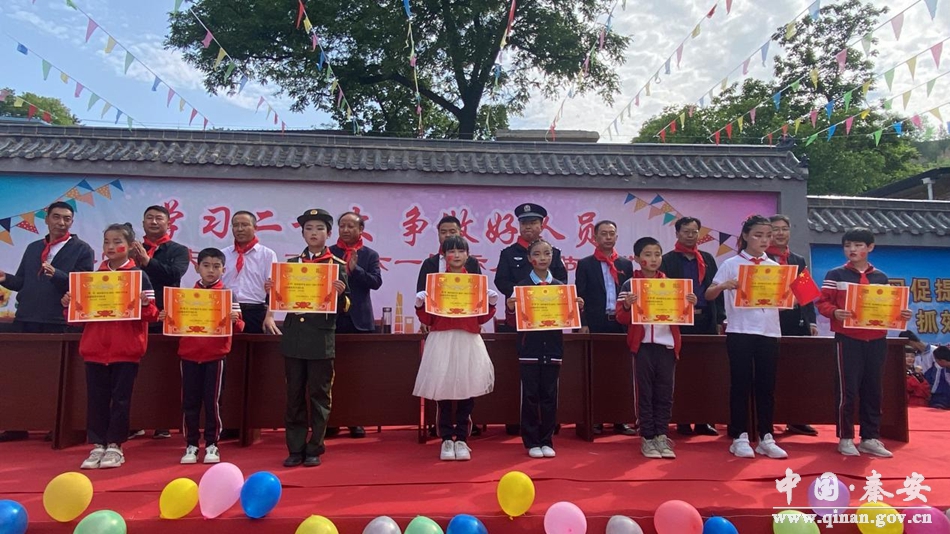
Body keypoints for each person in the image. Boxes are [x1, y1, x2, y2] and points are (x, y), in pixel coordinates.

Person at [63, 223, 158, 469]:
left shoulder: (139, 276)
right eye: (107, 242)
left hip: (126, 351)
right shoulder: (92, 279)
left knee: (121, 400)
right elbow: (76, 319)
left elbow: (153, 315)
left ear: (130, 246)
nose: (111, 247)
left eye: (117, 242)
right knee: (96, 399)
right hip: (94, 349)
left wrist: (144, 304)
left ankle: (115, 445)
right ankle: (98, 445)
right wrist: (69, 305)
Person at [0, 201, 94, 443]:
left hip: (58, 321)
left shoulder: (82, 249)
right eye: (56, 217)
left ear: (72, 222)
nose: (61, 222)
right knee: (23, 375)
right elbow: (22, 282)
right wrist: (4, 278)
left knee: (55, 379)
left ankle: (56, 425)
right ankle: (18, 425)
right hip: (26, 318)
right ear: (47, 218)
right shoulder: (33, 247)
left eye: (66, 218)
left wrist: (58, 275)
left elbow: (84, 286)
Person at [816, 227, 913, 457]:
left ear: (870, 247)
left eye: (858, 245)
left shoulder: (880, 277)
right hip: (848, 339)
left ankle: (870, 437)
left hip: (877, 339)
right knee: (847, 389)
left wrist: (901, 313)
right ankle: (846, 437)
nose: (852, 249)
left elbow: (886, 307)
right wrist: (834, 312)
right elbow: (822, 302)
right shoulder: (836, 274)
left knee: (873, 389)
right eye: (847, 245)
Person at [265, 209, 348, 468]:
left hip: (321, 339)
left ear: (328, 234)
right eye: (309, 228)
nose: (314, 233)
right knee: (294, 395)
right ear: (302, 233)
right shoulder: (290, 265)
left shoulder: (336, 265)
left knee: (319, 396)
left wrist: (340, 294)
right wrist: (271, 291)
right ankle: (295, 448)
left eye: (319, 228)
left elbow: (347, 305)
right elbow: (280, 300)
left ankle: (315, 448)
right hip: (294, 338)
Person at [706, 215, 787, 459]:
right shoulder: (732, 264)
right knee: (740, 383)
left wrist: (785, 298)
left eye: (768, 236)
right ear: (745, 236)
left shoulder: (775, 267)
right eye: (758, 235)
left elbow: (785, 301)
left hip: (769, 331)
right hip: (740, 331)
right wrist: (724, 286)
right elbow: (709, 294)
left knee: (766, 385)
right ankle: (739, 436)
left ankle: (766, 436)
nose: (764, 240)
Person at [414, 236, 497, 461]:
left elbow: (481, 318)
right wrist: (420, 305)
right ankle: (445, 439)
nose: (457, 255)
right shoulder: (437, 283)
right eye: (451, 251)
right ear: (444, 256)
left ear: (468, 255)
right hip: (442, 339)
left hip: (468, 340)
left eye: (461, 251)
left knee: (467, 390)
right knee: (443, 391)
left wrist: (490, 304)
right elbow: (428, 319)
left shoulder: (475, 283)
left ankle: (461, 438)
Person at [158, 248, 244, 464]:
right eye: (206, 266)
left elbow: (240, 326)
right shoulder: (184, 297)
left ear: (223, 270)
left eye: (216, 266)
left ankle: (212, 444)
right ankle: (191, 444)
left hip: (215, 357)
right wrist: (166, 317)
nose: (211, 270)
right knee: (190, 402)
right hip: (189, 355)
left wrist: (235, 320)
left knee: (213, 402)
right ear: (197, 268)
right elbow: (174, 324)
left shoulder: (228, 295)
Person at [617, 237, 697, 459]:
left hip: (667, 346)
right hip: (642, 346)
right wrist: (627, 305)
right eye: (648, 254)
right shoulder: (630, 285)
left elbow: (682, 317)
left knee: (664, 393)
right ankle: (647, 437)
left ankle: (662, 435)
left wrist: (689, 303)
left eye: (657, 254)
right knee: (645, 393)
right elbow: (621, 318)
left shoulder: (673, 285)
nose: (653, 259)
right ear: (637, 258)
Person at [505, 239, 583, 459]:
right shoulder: (521, 287)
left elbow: (568, 320)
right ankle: (531, 441)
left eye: (547, 254)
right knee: (530, 396)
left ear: (553, 257)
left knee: (549, 396)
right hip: (529, 349)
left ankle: (547, 440)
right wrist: (511, 309)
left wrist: (577, 308)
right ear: (529, 258)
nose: (542, 258)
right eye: (537, 254)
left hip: (554, 349)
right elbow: (512, 322)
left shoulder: (561, 288)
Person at [128, 205, 190, 440]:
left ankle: (163, 422)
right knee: (136, 372)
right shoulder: (132, 248)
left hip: (166, 317)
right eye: (149, 218)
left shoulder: (178, 250)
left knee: (164, 371)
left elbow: (174, 275)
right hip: (136, 317)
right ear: (143, 223)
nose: (154, 222)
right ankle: (135, 421)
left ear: (168, 223)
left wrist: (147, 262)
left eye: (159, 219)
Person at [659, 216, 722, 437]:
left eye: (694, 232)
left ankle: (704, 420)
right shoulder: (667, 260)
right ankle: (683, 420)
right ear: (677, 233)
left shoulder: (707, 258)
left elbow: (716, 290)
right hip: (680, 323)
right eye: (686, 231)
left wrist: (720, 319)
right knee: (682, 373)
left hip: (706, 321)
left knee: (706, 371)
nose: (690, 236)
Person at [575, 220, 635, 436]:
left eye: (612, 233)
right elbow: (579, 296)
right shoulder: (585, 264)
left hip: (620, 323)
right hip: (596, 323)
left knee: (621, 372)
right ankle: (596, 418)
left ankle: (620, 419)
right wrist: (583, 324)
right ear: (595, 238)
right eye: (603, 234)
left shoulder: (625, 264)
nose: (608, 237)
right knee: (596, 372)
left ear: (616, 237)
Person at [328, 211, 383, 439]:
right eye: (342, 225)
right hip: (332, 321)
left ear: (361, 230)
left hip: (360, 321)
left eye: (351, 226)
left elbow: (376, 282)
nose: (346, 230)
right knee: (330, 375)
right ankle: (331, 421)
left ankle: (356, 421)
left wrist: (355, 270)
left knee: (358, 375)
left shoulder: (369, 255)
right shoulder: (329, 253)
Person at [766, 215, 819, 437]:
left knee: (797, 371)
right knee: (770, 371)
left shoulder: (798, 260)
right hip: (768, 321)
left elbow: (806, 294)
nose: (780, 233)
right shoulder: (761, 259)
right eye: (775, 229)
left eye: (784, 229)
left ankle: (796, 419)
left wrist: (811, 320)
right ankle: (765, 419)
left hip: (796, 322)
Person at [222, 211, 279, 334]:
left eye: (244, 225)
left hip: (255, 311)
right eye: (235, 225)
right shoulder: (223, 254)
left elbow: (274, 289)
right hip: (227, 311)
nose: (240, 229)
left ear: (255, 228)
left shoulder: (267, 254)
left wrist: (270, 316)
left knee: (255, 346)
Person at [900, 332, 932, 408]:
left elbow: (926, 388)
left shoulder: (916, 371)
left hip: (923, 403)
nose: (910, 359)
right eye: (907, 356)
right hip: (910, 404)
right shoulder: (899, 371)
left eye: (912, 356)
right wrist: (915, 375)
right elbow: (907, 387)